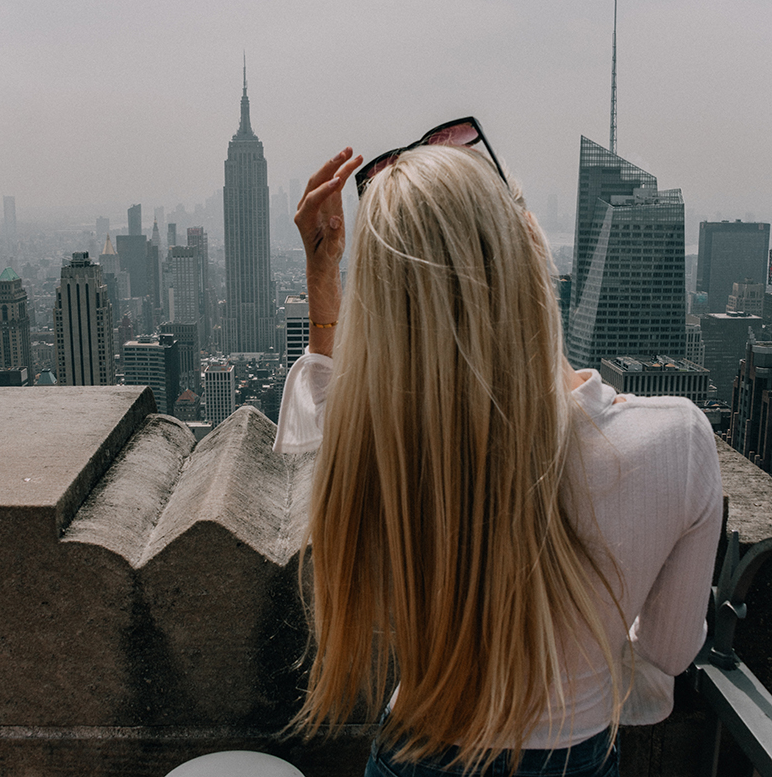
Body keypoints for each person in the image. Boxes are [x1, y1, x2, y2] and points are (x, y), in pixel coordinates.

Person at [273, 128, 722, 777]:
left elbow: (319, 432)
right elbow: (669, 655)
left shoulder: (394, 453)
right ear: (526, 248)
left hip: (414, 753)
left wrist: (323, 276)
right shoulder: (674, 443)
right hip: (580, 757)